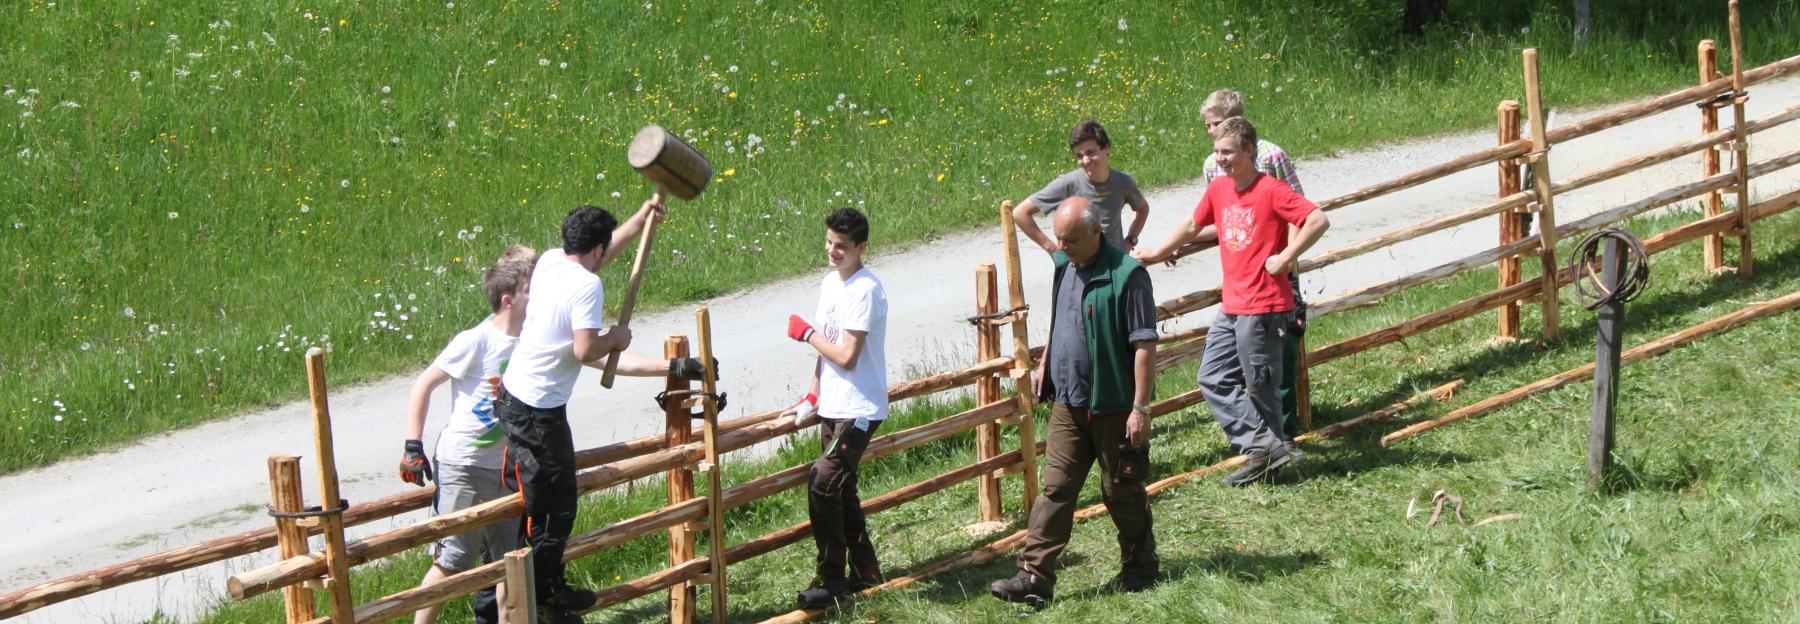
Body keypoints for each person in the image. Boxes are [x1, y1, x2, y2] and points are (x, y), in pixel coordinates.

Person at [495, 201, 713, 621]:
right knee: (553, 504)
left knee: (552, 499)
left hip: (518, 397)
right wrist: (615, 337)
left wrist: (643, 217)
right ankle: (543, 594)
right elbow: (585, 350)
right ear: (596, 248)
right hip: (537, 409)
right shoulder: (587, 287)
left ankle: (546, 585)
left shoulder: (551, 262)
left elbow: (602, 255)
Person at [1133, 116, 1329, 486]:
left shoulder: (1270, 189)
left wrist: (1286, 258)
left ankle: (1266, 461)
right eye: (1217, 152)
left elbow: (1317, 220)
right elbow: (1192, 226)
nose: (1220, 159)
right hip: (1233, 303)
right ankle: (1265, 448)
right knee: (1212, 376)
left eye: (1228, 152)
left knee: (1260, 386)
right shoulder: (1220, 189)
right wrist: (1159, 251)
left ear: (1249, 151)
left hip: (1265, 305)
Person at [991, 197, 1159, 607]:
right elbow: (1062, 321)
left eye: (1071, 240)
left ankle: (1140, 567)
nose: (1062, 246)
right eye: (1059, 238)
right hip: (1069, 403)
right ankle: (1033, 577)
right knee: (1055, 490)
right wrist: (1047, 365)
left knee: (1120, 488)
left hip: (1114, 405)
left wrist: (1140, 408)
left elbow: (1144, 346)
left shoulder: (1128, 276)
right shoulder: (1065, 268)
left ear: (1096, 232)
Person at [398, 249, 534, 624]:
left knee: (512, 559)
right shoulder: (476, 340)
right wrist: (413, 444)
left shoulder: (532, 340)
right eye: (529, 288)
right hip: (463, 463)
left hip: (504, 466)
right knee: (455, 559)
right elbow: (423, 384)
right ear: (508, 299)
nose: (537, 294)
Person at [781, 207, 891, 609]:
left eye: (842, 246)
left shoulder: (865, 290)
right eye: (829, 242)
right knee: (841, 491)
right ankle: (867, 571)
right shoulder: (830, 283)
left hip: (859, 407)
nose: (832, 251)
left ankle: (830, 579)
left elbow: (845, 355)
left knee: (823, 482)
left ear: (862, 247)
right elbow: (827, 353)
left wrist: (805, 332)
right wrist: (812, 395)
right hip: (834, 402)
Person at [1198, 89, 1309, 438]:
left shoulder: (1271, 157)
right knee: (1236, 369)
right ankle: (1266, 445)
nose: (1210, 133)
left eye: (1216, 125)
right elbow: (1220, 217)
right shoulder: (1212, 167)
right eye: (1208, 127)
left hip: (1274, 275)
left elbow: (1298, 209)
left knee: (1275, 360)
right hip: (1240, 282)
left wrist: (1287, 256)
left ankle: (1282, 435)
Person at [1012, 120, 1151, 256]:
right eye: (1079, 156)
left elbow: (1142, 209)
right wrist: (1052, 250)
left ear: (1107, 148)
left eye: (1090, 153)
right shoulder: (1068, 184)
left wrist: (1130, 240)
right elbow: (1020, 213)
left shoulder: (1123, 182)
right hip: (1081, 270)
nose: (1085, 161)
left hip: (1115, 265)